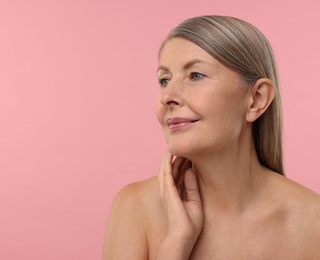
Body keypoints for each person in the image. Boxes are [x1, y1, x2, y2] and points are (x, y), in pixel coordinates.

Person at [102, 15, 320, 259]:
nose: (167, 97)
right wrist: (176, 244)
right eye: (164, 80)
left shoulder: (313, 222)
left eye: (195, 75)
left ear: (256, 99)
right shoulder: (135, 209)